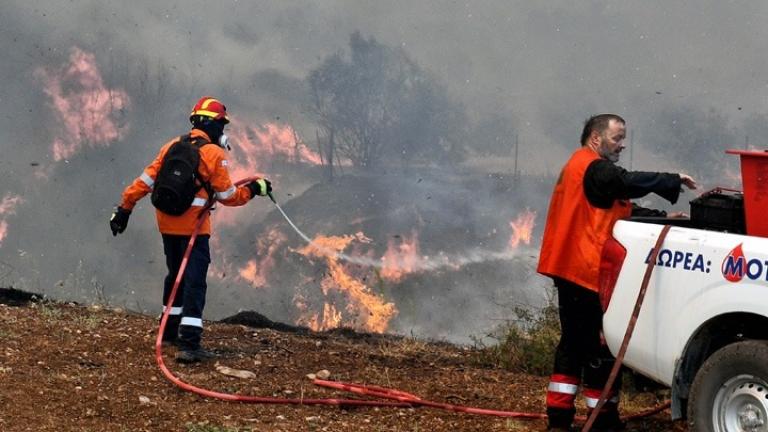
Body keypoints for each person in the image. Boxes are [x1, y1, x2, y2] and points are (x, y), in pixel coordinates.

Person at [537, 114, 697, 432]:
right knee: (600, 346)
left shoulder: (581, 167)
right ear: (596, 138)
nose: (622, 144)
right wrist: (671, 179)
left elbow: (618, 207)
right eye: (617, 138)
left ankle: (560, 417)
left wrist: (665, 218)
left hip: (570, 267)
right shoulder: (594, 167)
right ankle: (602, 420)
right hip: (584, 270)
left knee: (573, 343)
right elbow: (625, 182)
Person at [110, 96, 272, 363]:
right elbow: (228, 196)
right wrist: (255, 189)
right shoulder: (213, 154)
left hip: (166, 224)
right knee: (194, 282)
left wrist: (124, 209)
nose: (223, 131)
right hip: (194, 229)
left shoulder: (171, 147)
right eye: (221, 125)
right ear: (213, 125)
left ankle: (168, 332)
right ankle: (190, 344)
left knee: (175, 276)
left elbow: (144, 181)